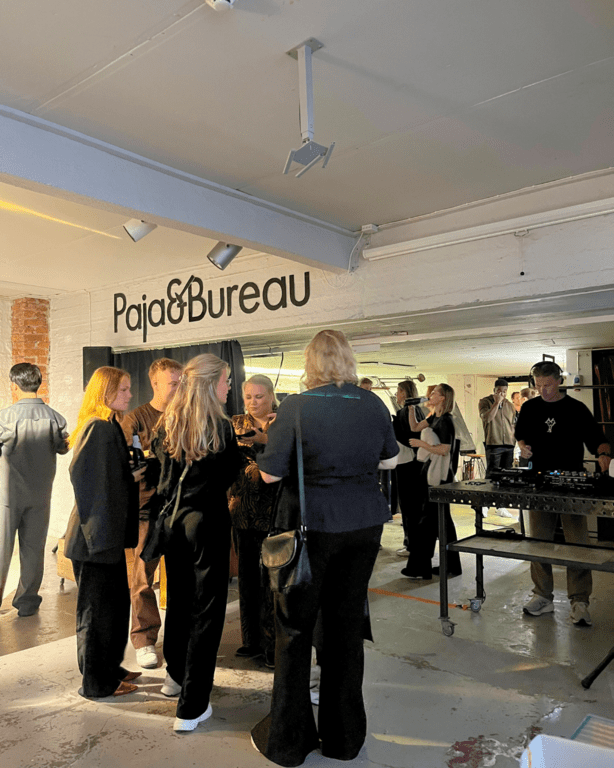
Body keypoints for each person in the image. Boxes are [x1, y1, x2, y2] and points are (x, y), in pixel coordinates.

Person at [251, 329, 399, 767]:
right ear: (348, 360)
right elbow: (390, 459)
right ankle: (344, 738)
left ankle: (289, 741)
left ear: (310, 362)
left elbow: (270, 476)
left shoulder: (296, 406)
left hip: (312, 526)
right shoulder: (372, 403)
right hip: (364, 524)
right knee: (345, 627)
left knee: (295, 630)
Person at [151, 354, 242, 732]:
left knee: (179, 602)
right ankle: (192, 705)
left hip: (173, 525)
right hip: (207, 525)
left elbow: (160, 476)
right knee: (207, 611)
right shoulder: (219, 427)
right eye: (225, 381)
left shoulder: (168, 422)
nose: (229, 387)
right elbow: (229, 475)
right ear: (210, 383)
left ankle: (175, 676)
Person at [64, 367, 144, 698]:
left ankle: (110, 669)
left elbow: (108, 478)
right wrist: (100, 539)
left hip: (104, 537)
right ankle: (96, 683)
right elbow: (86, 481)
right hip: (95, 539)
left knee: (112, 609)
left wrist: (131, 475)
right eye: (123, 390)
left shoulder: (107, 425)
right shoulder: (97, 428)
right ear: (105, 392)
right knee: (96, 615)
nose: (129, 395)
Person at [515, 361, 611, 627]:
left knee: (578, 544)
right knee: (539, 542)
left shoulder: (576, 409)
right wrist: (523, 447)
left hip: (571, 484)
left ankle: (580, 601)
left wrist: (603, 453)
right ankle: (542, 595)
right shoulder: (529, 408)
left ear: (559, 381)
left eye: (547, 385)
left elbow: (597, 439)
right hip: (539, 483)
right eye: (538, 386)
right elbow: (521, 435)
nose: (543, 391)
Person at [120, 357, 182, 669]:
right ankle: (144, 639)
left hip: (180, 509)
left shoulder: (187, 417)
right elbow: (124, 463)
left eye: (181, 383)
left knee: (183, 578)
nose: (178, 389)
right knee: (143, 577)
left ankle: (181, 639)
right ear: (155, 383)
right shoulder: (136, 419)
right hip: (148, 509)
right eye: (173, 383)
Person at [0, 363, 69, 617]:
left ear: (14, 386)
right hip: (40, 495)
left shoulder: (4, 418)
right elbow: (63, 448)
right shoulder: (55, 418)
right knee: (33, 550)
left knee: (1, 551)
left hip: (7, 496)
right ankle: (27, 603)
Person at [228, 375, 278, 667]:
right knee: (247, 579)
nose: (253, 402)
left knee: (272, 581)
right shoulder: (235, 424)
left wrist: (265, 440)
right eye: (248, 397)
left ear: (271, 396)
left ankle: (273, 646)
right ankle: (251, 641)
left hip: (275, 513)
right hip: (242, 512)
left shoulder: (281, 424)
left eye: (259, 396)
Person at [401, 383, 463, 580]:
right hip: (430, 473)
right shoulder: (433, 416)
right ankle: (445, 566)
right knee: (438, 521)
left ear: (443, 398)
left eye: (435, 393)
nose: (430, 395)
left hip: (438, 476)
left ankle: (421, 566)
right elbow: (414, 427)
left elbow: (445, 449)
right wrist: (411, 409)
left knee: (429, 520)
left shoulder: (446, 420)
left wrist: (422, 444)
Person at [393, 380, 426, 558]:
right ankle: (414, 543)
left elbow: (410, 436)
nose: (396, 395)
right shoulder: (418, 410)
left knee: (408, 506)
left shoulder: (405, 412)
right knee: (414, 505)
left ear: (404, 393)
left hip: (406, 462)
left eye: (398, 391)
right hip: (413, 462)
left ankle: (411, 545)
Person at [479, 378, 517, 518]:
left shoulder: (510, 405)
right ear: (494, 390)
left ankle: (501, 506)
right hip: (493, 443)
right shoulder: (485, 402)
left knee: (506, 477)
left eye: (505, 391)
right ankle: (484, 504)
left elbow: (513, 424)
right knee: (492, 476)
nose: (502, 394)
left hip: (509, 445)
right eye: (499, 391)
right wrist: (497, 403)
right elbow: (487, 418)